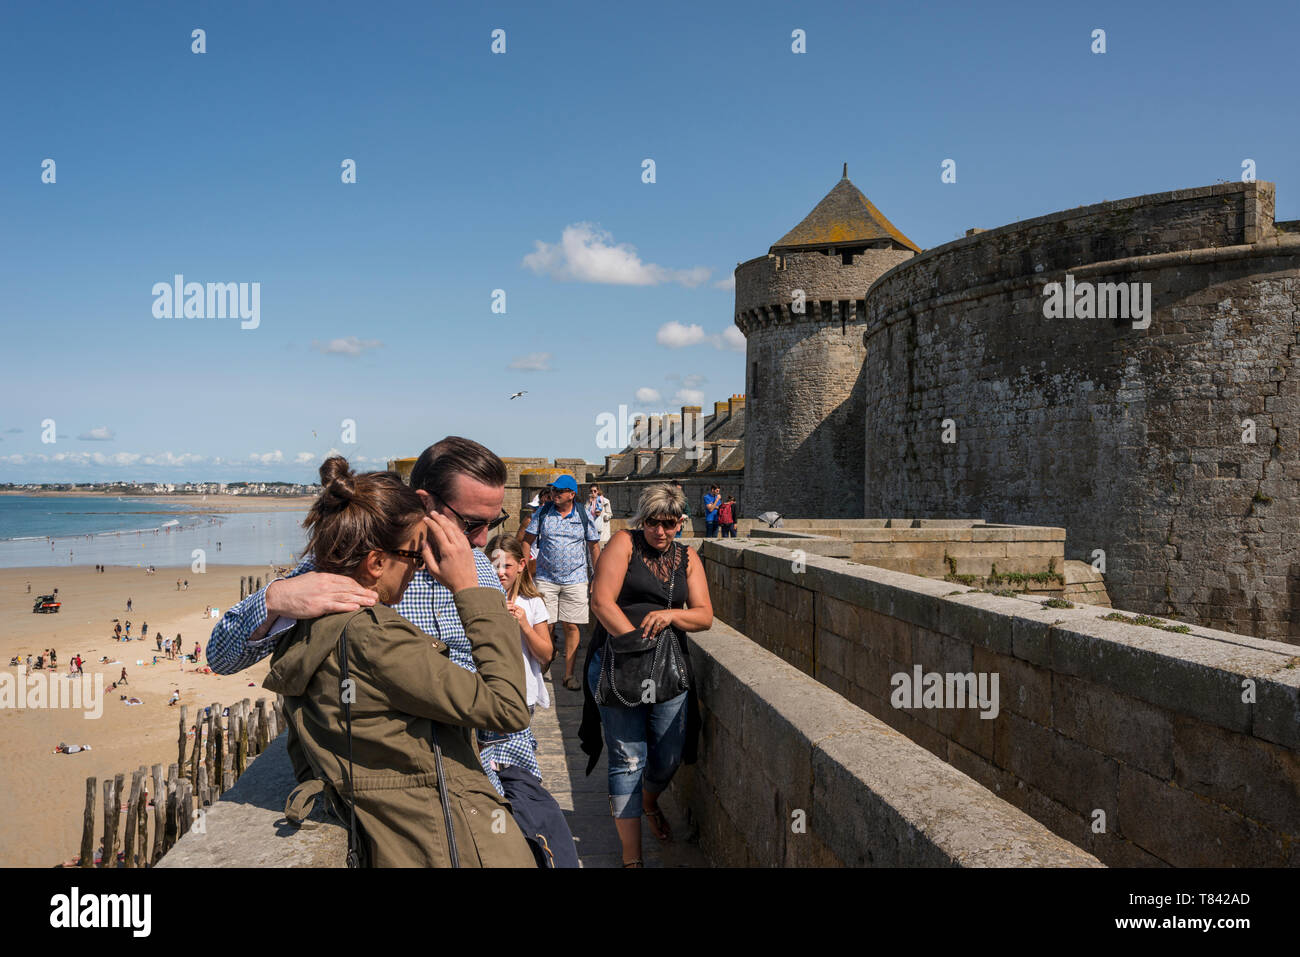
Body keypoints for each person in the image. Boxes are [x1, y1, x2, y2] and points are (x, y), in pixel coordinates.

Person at [208, 437, 566, 865]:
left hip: (499, 768)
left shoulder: (481, 571)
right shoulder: (355, 564)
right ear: (424, 502)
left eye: (495, 520)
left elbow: (506, 692)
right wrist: (275, 598)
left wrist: (516, 774)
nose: (483, 539)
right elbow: (221, 657)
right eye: (471, 523)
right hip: (424, 801)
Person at [581, 483, 713, 868]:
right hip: (618, 663)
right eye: (654, 522)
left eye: (669, 524)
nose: (660, 531)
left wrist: (671, 615)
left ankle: (649, 800)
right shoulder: (623, 543)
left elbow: (704, 615)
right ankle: (632, 859)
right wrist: (632, 644)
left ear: (680, 523)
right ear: (643, 520)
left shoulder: (687, 557)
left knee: (669, 754)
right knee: (627, 758)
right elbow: (601, 601)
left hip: (668, 669)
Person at [483, 532, 580, 867]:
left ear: (522, 566)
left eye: (507, 565)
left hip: (520, 698)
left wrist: (522, 622)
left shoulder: (533, 603)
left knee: (515, 768)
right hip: (485, 696)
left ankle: (520, 830)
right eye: (494, 564)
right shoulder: (478, 600)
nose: (500, 572)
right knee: (487, 766)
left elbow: (545, 655)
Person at [521, 474, 601, 692]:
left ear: (571, 494)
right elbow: (526, 542)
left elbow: (594, 546)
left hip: (576, 579)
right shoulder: (543, 513)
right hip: (546, 578)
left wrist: (597, 576)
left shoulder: (583, 515)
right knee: (544, 625)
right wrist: (526, 572)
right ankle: (544, 662)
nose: (554, 494)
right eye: (553, 490)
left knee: (572, 626)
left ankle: (568, 675)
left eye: (559, 491)